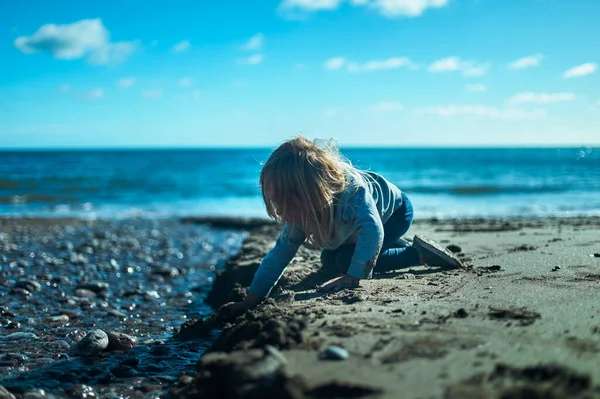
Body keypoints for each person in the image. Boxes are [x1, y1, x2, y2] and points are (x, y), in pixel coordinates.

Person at [218, 136, 461, 319]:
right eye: (275, 203)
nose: (281, 212)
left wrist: (355, 276)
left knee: (346, 262)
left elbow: (372, 229)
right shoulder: (303, 211)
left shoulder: (352, 195)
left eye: (284, 204)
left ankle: (417, 254)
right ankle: (396, 248)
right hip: (361, 228)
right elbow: (280, 253)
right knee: (328, 259)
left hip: (393, 215)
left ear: (309, 194)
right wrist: (251, 299)